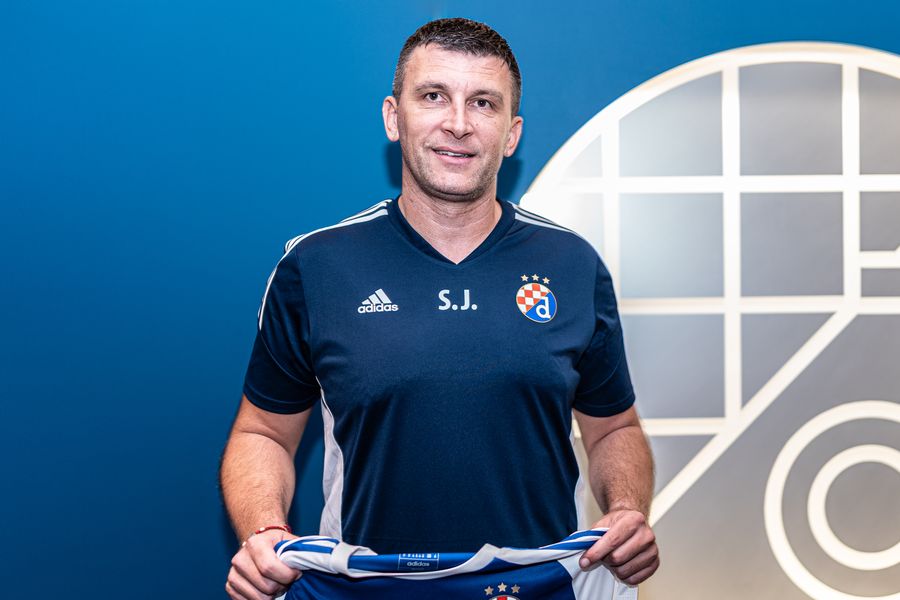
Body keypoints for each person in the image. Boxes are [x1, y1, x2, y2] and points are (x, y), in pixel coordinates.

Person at [221, 17, 659, 600]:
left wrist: (626, 508)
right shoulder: (317, 265)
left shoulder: (572, 264)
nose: (458, 123)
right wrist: (265, 531)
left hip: (539, 586)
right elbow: (264, 433)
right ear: (393, 117)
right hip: (367, 588)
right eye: (433, 96)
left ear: (512, 133)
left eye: (483, 103)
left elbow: (614, 429)